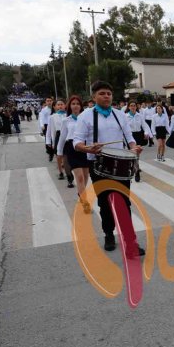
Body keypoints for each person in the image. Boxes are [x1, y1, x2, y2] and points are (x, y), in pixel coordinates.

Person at [73, 81, 145, 255]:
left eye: (109, 94)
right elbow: (77, 142)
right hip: (98, 166)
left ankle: (130, 243)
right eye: (102, 93)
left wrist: (134, 147)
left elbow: (129, 138)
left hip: (121, 165)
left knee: (124, 204)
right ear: (94, 96)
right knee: (105, 204)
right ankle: (108, 234)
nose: (106, 96)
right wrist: (88, 148)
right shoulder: (85, 116)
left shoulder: (120, 115)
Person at [57, 95, 92, 213]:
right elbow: (62, 138)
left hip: (85, 147)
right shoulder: (66, 120)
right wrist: (59, 153)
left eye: (77, 104)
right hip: (71, 148)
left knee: (86, 176)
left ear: (81, 106)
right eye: (73, 104)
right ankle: (85, 201)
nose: (75, 106)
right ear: (69, 106)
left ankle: (80, 193)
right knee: (80, 177)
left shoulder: (86, 119)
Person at [45, 99, 74, 187]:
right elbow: (49, 130)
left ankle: (69, 176)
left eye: (62, 104)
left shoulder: (69, 115)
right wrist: (48, 141)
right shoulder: (52, 117)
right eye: (58, 104)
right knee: (59, 156)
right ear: (54, 107)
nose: (60, 106)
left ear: (65, 106)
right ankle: (61, 171)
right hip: (58, 136)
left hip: (67, 136)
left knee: (66, 157)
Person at [126, 100, 152, 181]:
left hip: (139, 135)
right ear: (128, 107)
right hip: (130, 136)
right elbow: (124, 128)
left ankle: (136, 168)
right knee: (133, 153)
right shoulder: (125, 116)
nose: (133, 107)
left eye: (134, 105)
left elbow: (144, 125)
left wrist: (146, 133)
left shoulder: (139, 115)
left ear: (136, 107)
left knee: (136, 153)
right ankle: (135, 168)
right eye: (131, 105)